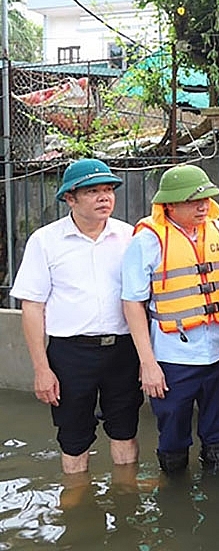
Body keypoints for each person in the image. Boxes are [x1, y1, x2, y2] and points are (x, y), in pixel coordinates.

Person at [10, 158, 141, 474]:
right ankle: (77, 502)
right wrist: (41, 368)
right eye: (93, 191)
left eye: (109, 190)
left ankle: (125, 498)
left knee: (125, 427)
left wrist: (147, 358)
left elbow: (143, 300)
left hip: (123, 348)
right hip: (70, 353)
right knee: (73, 434)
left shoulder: (131, 236)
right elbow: (32, 307)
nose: (104, 198)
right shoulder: (46, 241)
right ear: (70, 197)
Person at [121, 164, 219, 475]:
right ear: (170, 204)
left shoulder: (218, 229)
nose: (203, 206)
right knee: (173, 431)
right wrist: (148, 363)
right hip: (173, 355)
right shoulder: (146, 241)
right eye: (193, 201)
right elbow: (132, 304)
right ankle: (174, 496)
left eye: (206, 198)